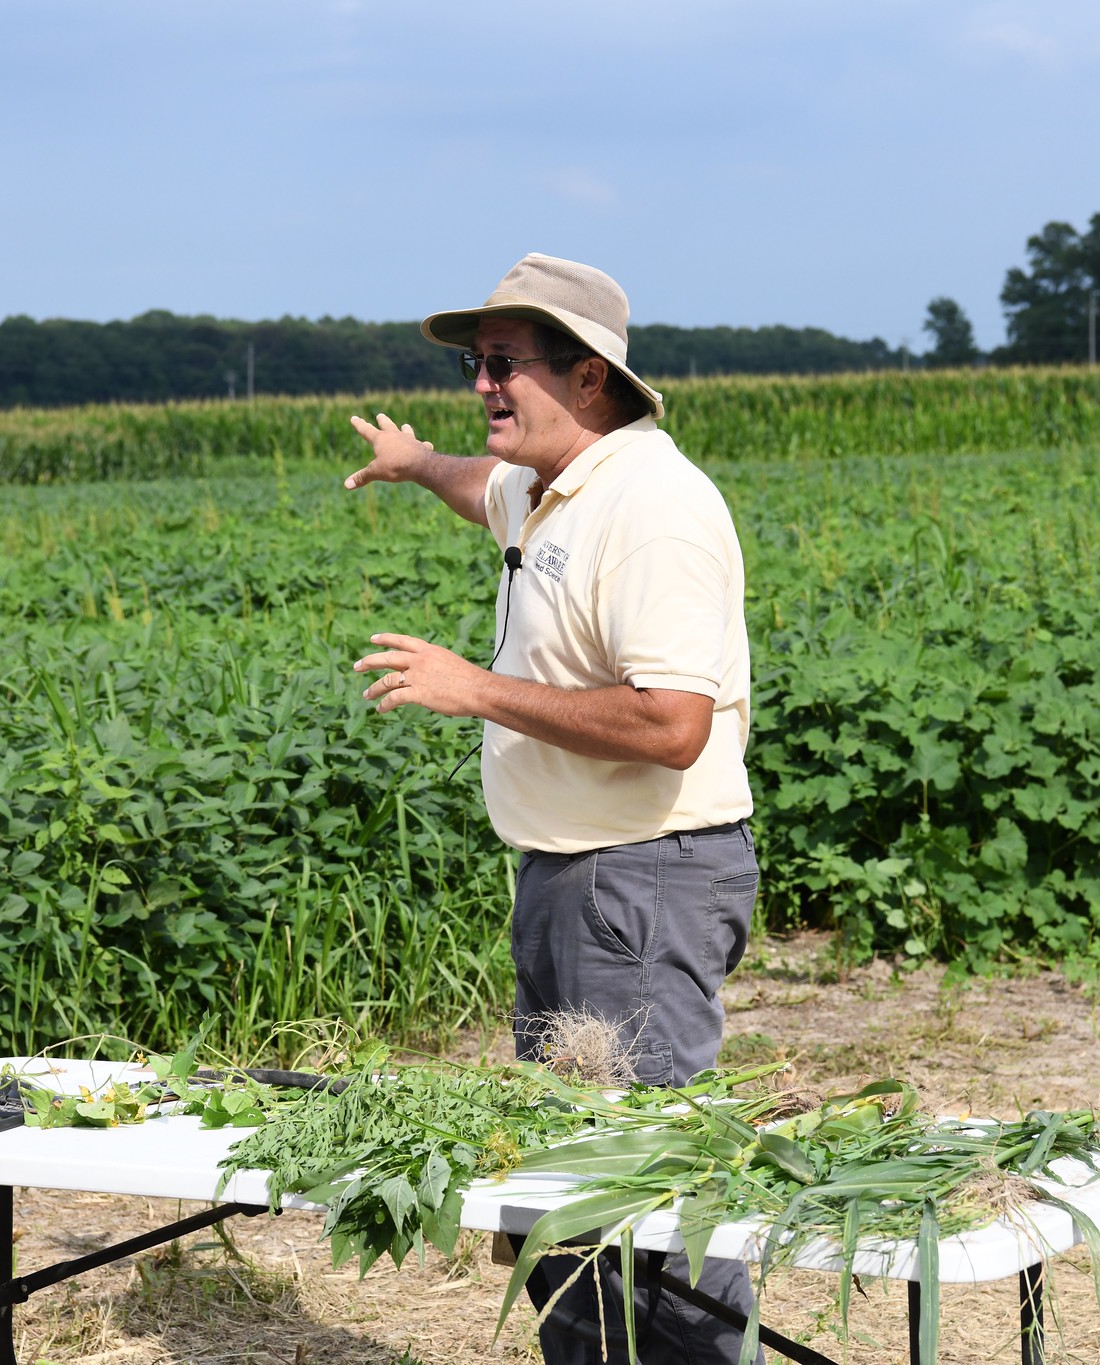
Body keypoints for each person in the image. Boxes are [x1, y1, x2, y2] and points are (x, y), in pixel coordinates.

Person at [345, 253, 761, 1365]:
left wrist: (472, 689)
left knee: (646, 1204)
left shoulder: (652, 507)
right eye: (473, 364)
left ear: (587, 379)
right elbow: (475, 489)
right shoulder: (545, 483)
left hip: (639, 884)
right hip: (571, 880)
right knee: (567, 1200)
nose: (479, 385)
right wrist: (409, 461)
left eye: (502, 365)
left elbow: (673, 724)